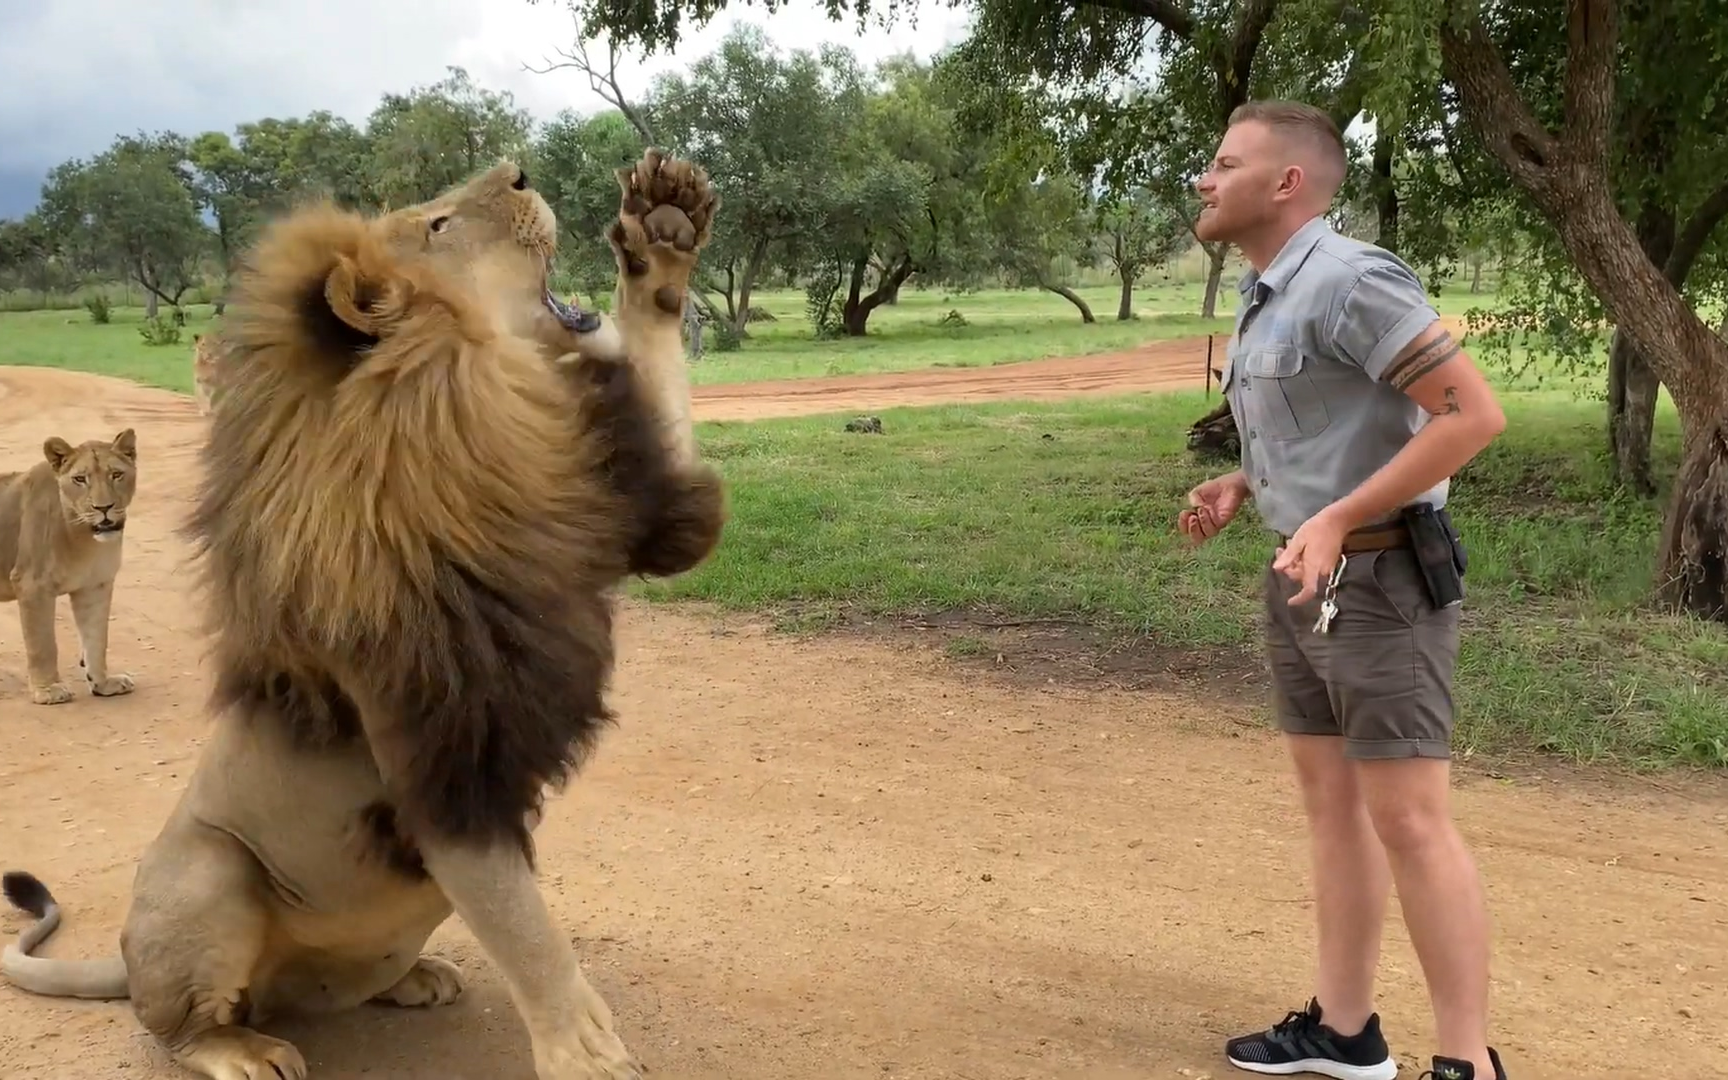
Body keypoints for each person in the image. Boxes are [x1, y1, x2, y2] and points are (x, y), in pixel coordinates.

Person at [1177, 100, 1511, 1080]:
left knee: (1408, 816)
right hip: (1305, 575)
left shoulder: (1351, 280)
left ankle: (1467, 1062)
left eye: (1225, 161)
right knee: (1333, 807)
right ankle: (1346, 1030)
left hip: (1378, 577)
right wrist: (1249, 484)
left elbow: (1469, 415)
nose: (1204, 177)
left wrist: (1332, 518)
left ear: (1286, 183)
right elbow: (1324, 425)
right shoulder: (1270, 291)